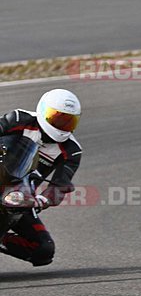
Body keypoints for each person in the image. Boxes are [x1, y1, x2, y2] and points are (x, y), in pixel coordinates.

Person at [0, 89, 82, 266]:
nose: (62, 124)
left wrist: (42, 200)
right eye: (57, 117)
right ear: (42, 110)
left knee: (43, 250)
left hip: (20, 198)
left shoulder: (71, 150)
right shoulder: (19, 119)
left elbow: (60, 184)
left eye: (69, 120)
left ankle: (3, 237)